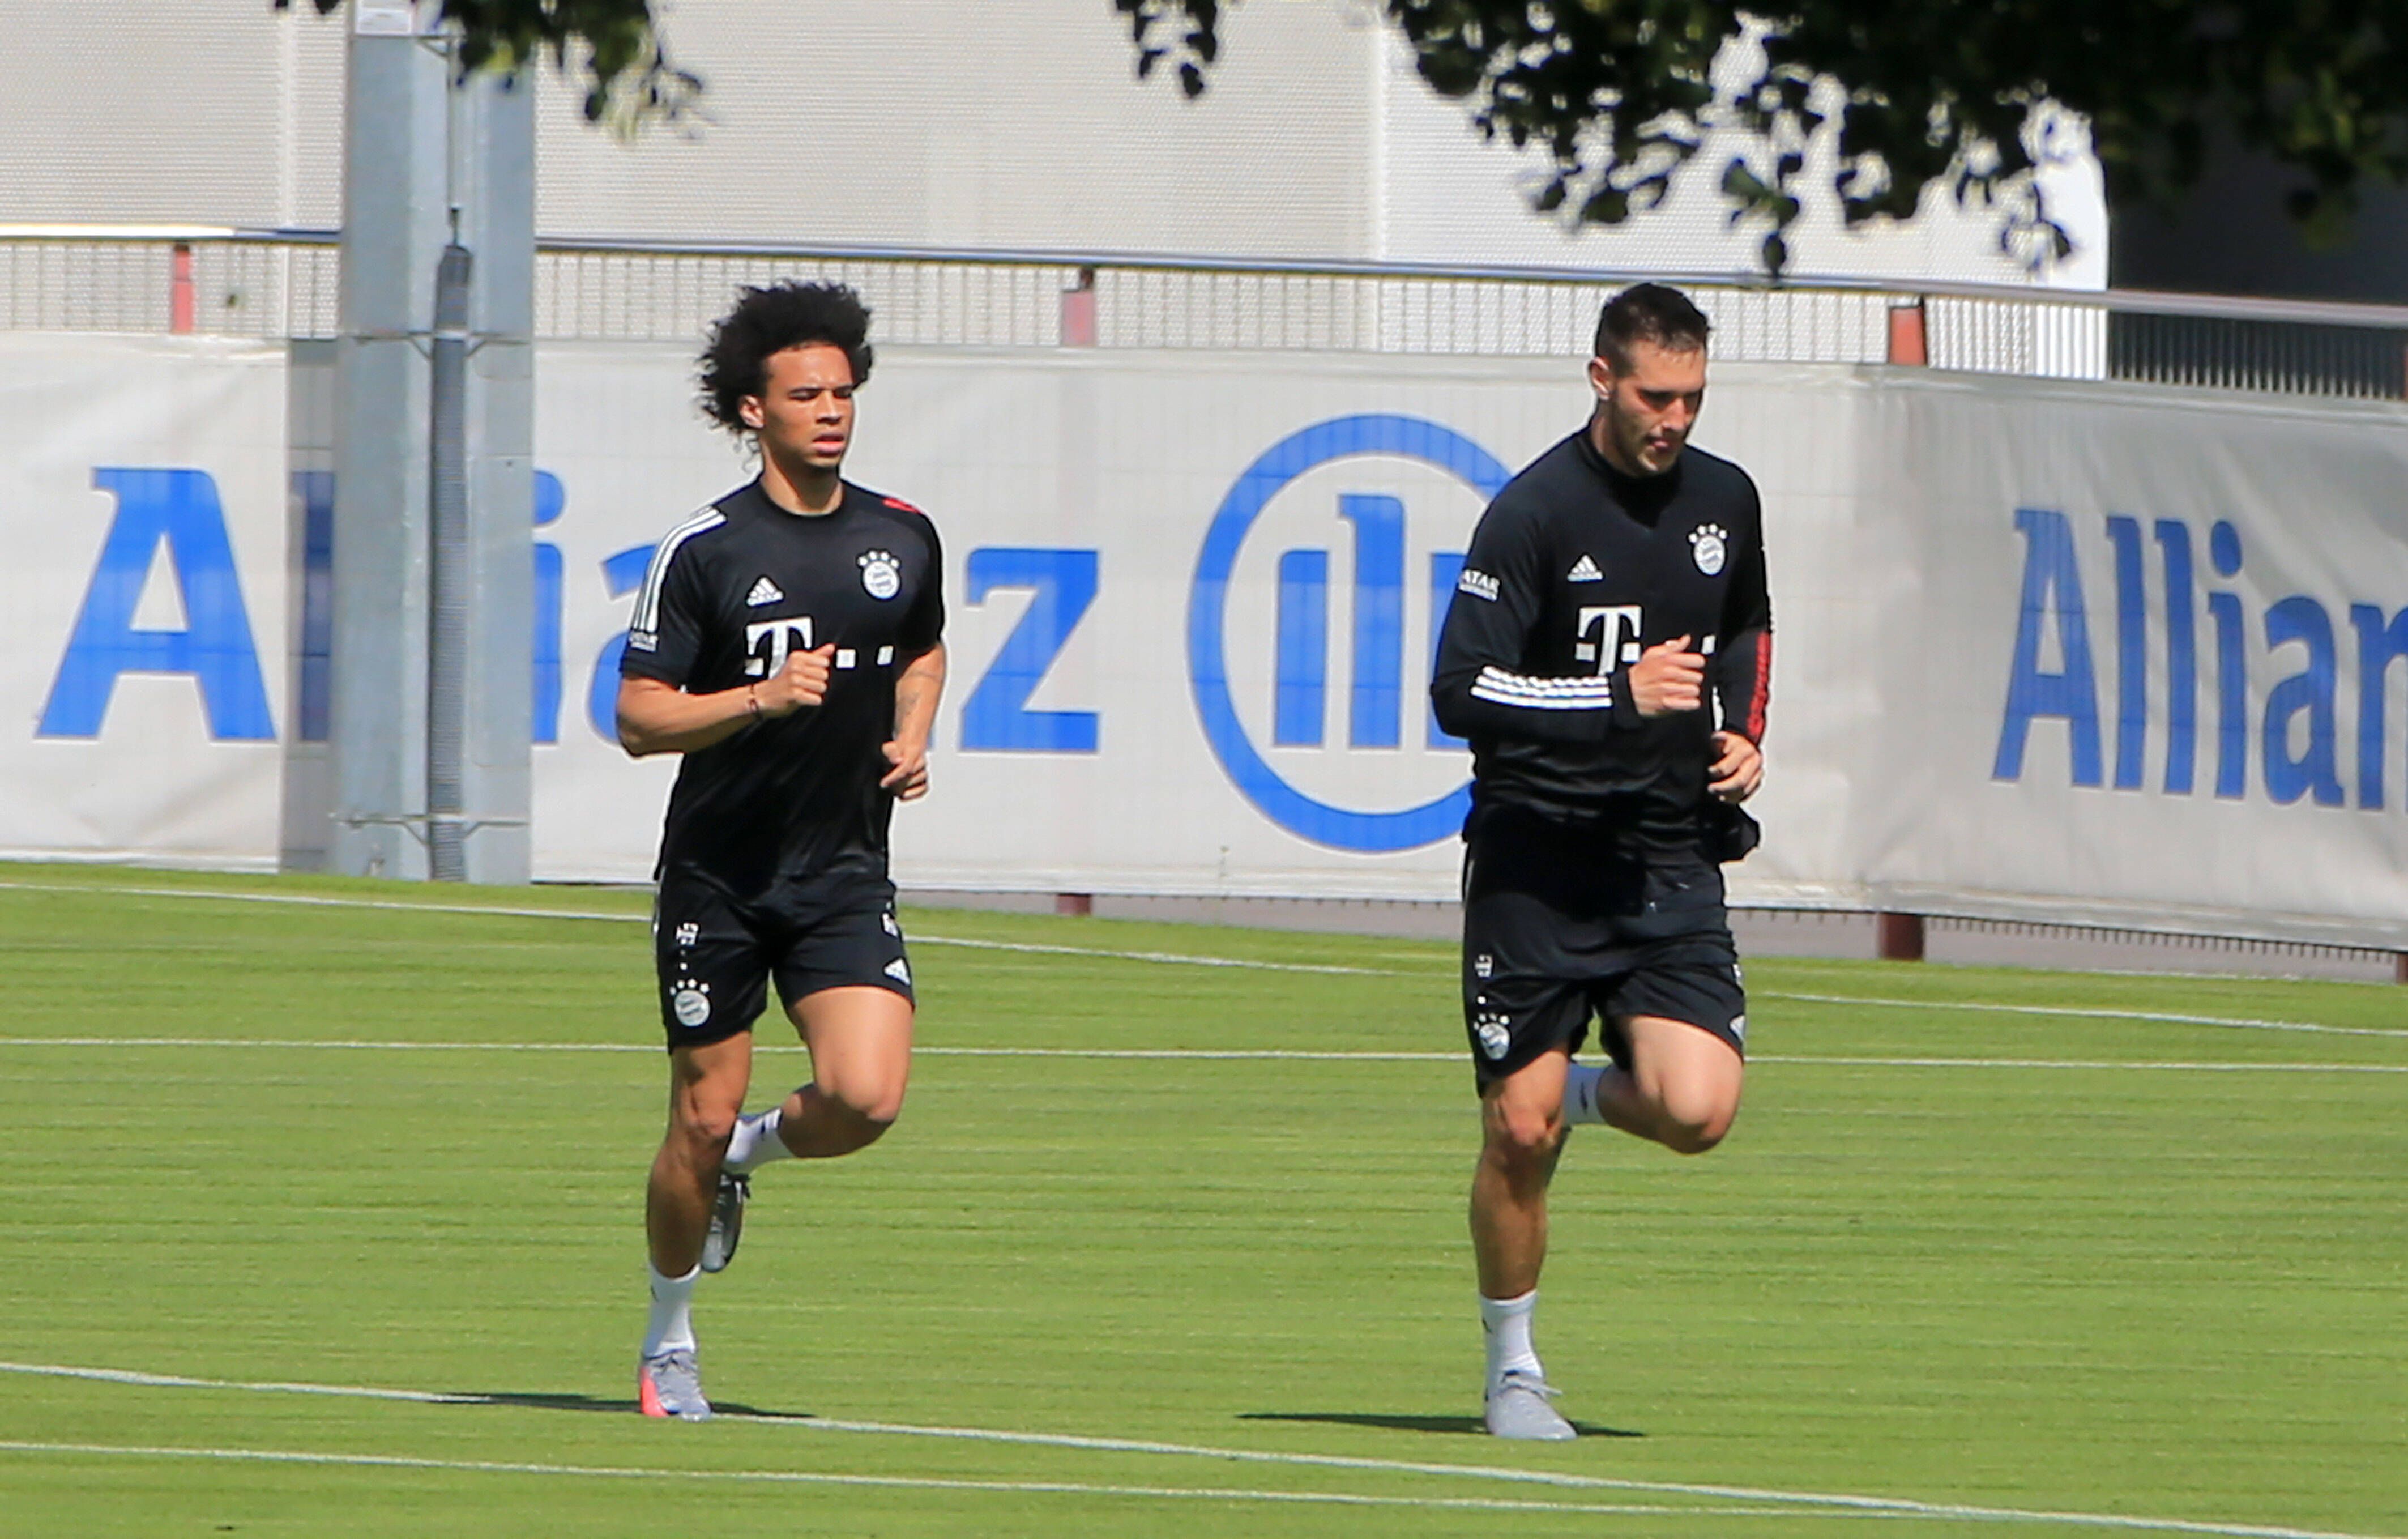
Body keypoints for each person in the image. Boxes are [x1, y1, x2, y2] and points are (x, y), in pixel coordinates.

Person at [1429, 282, 1771, 1440]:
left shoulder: (1725, 499)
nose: (1671, 418)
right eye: (1652, 395)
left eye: (1690, 397)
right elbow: (1457, 689)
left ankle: (1564, 1085)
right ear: (1600, 380)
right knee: (1515, 1138)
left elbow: (1742, 628)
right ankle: (1511, 1373)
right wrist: (1609, 695)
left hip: (1664, 859)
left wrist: (1740, 733)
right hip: (1534, 865)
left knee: (1698, 1112)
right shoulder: (1531, 513)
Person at [618, 280, 946, 1421]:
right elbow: (637, 718)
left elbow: (921, 648)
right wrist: (758, 698)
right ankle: (668, 1342)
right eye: (804, 394)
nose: (830, 412)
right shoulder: (704, 551)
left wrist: (914, 732)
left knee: (864, 1097)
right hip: (720, 877)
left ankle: (746, 1163)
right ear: (751, 410)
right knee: (693, 1119)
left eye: (842, 393)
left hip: (843, 871)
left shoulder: (900, 535)